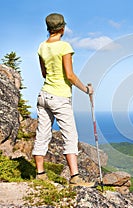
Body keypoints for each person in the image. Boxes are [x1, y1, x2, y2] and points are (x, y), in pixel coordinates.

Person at [32, 13, 94, 187]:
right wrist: (86, 90)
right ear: (62, 28)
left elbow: (44, 73)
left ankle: (40, 174)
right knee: (70, 136)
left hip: (43, 95)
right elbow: (70, 75)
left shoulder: (42, 47)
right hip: (60, 97)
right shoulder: (64, 46)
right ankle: (75, 178)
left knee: (42, 134)